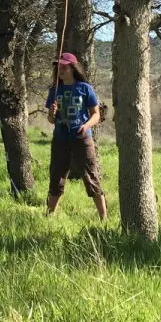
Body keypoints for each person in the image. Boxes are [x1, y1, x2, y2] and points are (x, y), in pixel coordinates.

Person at [45, 52, 107, 220]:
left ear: (72, 68)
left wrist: (85, 126)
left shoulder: (84, 88)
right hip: (60, 139)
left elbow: (96, 115)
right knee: (57, 176)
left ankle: (104, 219)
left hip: (81, 139)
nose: (60, 70)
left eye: (64, 67)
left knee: (91, 176)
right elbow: (51, 120)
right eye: (58, 67)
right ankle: (49, 216)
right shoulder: (55, 90)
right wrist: (52, 113)